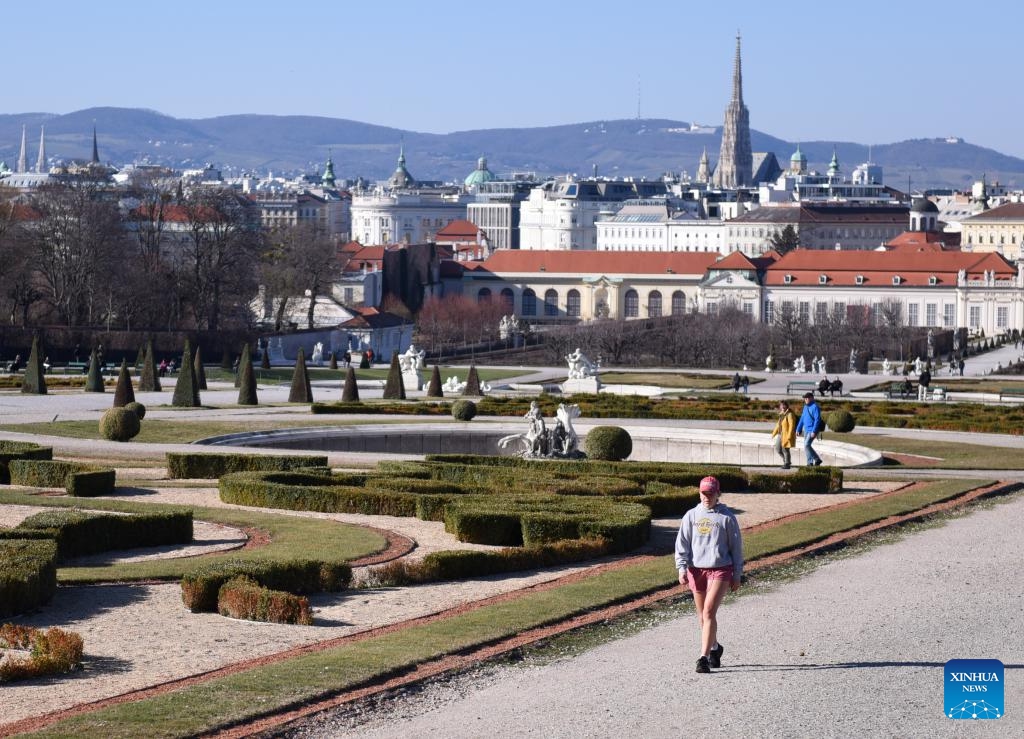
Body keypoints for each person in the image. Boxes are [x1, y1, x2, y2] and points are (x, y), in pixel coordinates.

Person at [675, 476, 743, 674]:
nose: (707, 497)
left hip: (721, 568)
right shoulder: (691, 516)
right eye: (704, 493)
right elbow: (683, 544)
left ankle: (703, 658)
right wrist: (681, 568)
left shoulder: (727, 518)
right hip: (696, 569)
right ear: (699, 493)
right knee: (702, 617)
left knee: (708, 612)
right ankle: (715, 648)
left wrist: (737, 574)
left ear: (717, 494)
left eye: (711, 493)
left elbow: (736, 548)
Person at [796, 392, 823, 467]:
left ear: (812, 398)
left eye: (807, 398)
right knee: (806, 446)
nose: (805, 400)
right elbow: (802, 418)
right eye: (805, 398)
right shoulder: (805, 407)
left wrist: (814, 431)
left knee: (807, 445)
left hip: (812, 430)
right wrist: (798, 429)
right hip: (806, 430)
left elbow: (817, 420)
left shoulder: (815, 407)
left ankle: (817, 459)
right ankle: (810, 463)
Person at [770, 400, 797, 469]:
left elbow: (792, 425)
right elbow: (778, 425)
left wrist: (789, 435)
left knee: (785, 449)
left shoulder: (790, 414)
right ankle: (786, 461)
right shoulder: (781, 414)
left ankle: (787, 464)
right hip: (780, 434)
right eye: (781, 405)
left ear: (786, 406)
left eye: (783, 405)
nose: (782, 406)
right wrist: (774, 433)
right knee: (778, 449)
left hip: (786, 434)